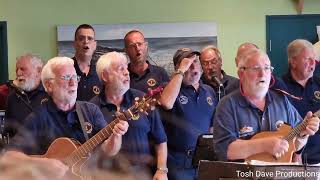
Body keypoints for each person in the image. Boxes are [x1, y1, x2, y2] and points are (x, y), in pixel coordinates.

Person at [4, 57, 129, 178]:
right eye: (66, 77)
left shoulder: (90, 110)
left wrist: (116, 136)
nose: (73, 83)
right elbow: (9, 157)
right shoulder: (38, 117)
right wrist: (44, 163)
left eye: (75, 77)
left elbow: (109, 150)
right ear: (49, 85)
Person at [213, 48, 319, 162]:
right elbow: (225, 150)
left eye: (267, 68)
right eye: (256, 68)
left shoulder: (282, 100)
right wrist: (264, 145)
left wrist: (303, 135)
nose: (262, 74)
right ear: (241, 74)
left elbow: (294, 146)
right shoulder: (227, 105)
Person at [90, 52, 168, 180]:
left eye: (126, 68)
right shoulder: (91, 108)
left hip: (141, 174)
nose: (127, 73)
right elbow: (91, 153)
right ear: (105, 76)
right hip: (106, 175)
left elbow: (160, 139)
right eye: (121, 69)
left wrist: (162, 170)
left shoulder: (143, 99)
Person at [159, 48, 217, 180]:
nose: (193, 65)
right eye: (187, 62)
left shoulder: (209, 90)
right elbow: (167, 103)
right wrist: (180, 71)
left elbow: (213, 126)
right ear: (178, 67)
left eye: (196, 61)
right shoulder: (168, 88)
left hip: (204, 161)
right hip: (179, 163)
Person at [282, 39, 320, 164]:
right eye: (308, 59)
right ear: (293, 62)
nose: (313, 63)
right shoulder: (279, 87)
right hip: (289, 158)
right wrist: (296, 152)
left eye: (313, 59)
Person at [5, 54, 48, 138]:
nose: (18, 73)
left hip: (48, 149)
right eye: (16, 69)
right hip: (19, 149)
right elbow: (8, 133)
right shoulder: (12, 97)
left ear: (38, 71)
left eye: (23, 69)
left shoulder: (50, 94)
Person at [73, 24, 102, 101]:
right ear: (75, 44)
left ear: (95, 45)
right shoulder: (65, 68)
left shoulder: (100, 72)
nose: (86, 41)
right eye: (81, 38)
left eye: (90, 38)